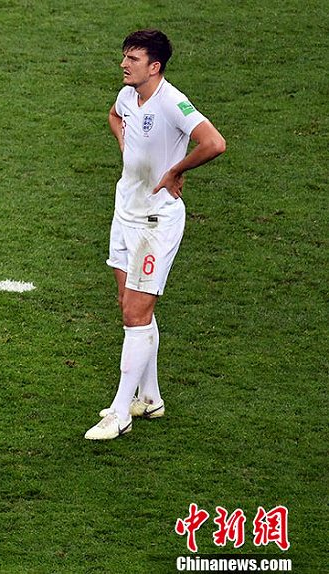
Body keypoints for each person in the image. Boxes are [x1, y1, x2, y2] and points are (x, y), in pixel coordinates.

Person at [85, 29, 226, 440]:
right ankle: (150, 397)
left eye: (133, 58)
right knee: (130, 307)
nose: (124, 64)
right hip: (125, 213)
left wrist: (176, 170)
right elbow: (114, 116)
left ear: (155, 67)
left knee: (135, 314)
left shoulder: (172, 102)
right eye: (124, 56)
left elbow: (214, 143)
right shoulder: (128, 95)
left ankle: (120, 413)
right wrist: (125, 143)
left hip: (155, 223)